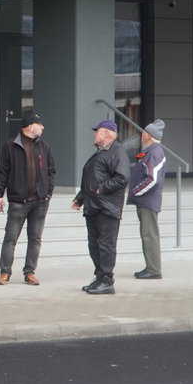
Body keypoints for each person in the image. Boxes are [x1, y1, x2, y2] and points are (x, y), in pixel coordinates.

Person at [0, 110, 56, 286]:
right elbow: (3, 173)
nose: (42, 127)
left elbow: (51, 171)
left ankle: (30, 272)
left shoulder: (44, 147)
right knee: (10, 238)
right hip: (18, 202)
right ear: (30, 126)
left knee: (35, 238)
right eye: (39, 124)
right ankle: (5, 272)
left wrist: (48, 193)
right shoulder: (10, 146)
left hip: (40, 202)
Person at [72, 119, 130, 295]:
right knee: (94, 245)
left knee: (106, 245)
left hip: (107, 208)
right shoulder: (100, 153)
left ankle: (106, 280)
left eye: (97, 131)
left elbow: (122, 178)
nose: (94, 134)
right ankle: (99, 277)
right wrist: (80, 198)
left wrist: (100, 189)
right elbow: (91, 179)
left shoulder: (117, 152)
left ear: (107, 134)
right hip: (93, 206)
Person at [130, 119, 168, 280]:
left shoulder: (154, 152)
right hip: (145, 200)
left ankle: (153, 270)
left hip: (148, 201)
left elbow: (152, 179)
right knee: (147, 234)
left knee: (149, 234)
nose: (141, 134)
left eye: (144, 132)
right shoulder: (149, 151)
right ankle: (150, 267)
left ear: (149, 135)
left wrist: (136, 191)